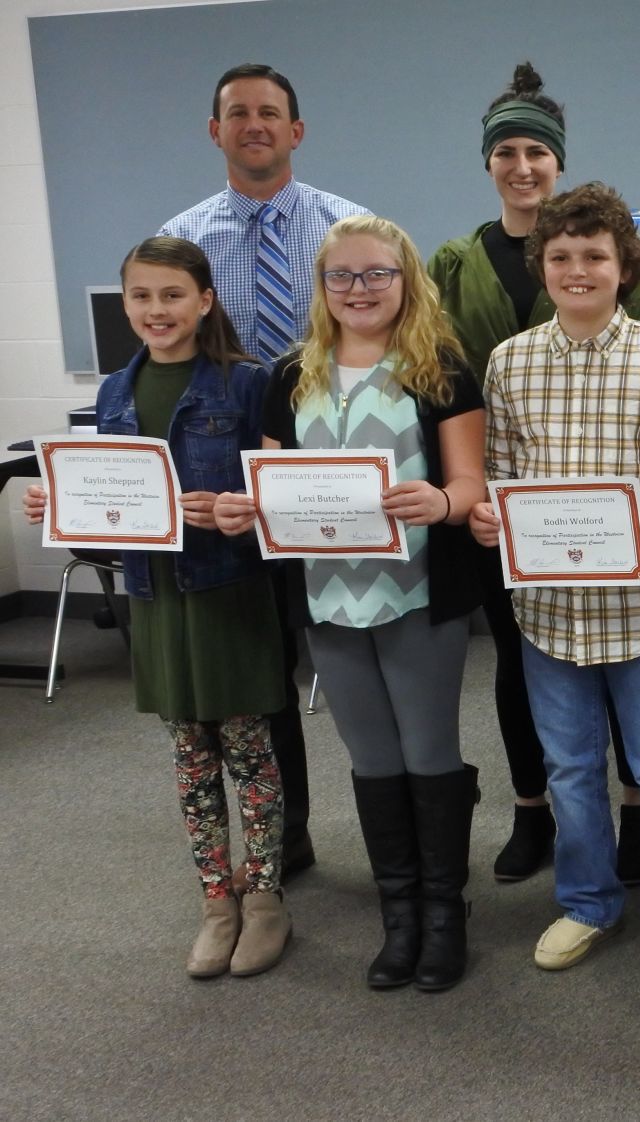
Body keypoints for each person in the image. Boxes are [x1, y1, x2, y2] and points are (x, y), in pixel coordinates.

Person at [214, 216, 486, 993]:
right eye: (344, 277)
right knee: (370, 758)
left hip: (419, 592)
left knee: (427, 751)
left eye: (378, 275)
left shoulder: (441, 368)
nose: (360, 290)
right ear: (322, 288)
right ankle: (398, 916)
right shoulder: (289, 375)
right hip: (328, 595)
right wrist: (244, 510)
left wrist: (439, 498)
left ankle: (443, 913)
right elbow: (270, 490)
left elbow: (470, 484)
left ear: (407, 280)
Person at [469, 182, 640, 979]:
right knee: (570, 768)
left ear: (625, 267)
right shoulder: (510, 362)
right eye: (562, 256)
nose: (579, 269)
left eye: (596, 256)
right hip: (548, 609)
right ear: (543, 266)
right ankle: (586, 901)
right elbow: (500, 476)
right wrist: (488, 519)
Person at [26, 237, 290, 977]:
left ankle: (265, 899)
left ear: (204, 300)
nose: (155, 310)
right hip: (156, 597)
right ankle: (216, 902)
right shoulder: (115, 390)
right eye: (140, 297)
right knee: (189, 759)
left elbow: (274, 495)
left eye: (171, 294)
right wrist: (57, 501)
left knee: (250, 755)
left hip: (227, 592)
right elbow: (107, 492)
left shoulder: (247, 383)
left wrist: (241, 508)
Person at [429, 61, 640, 887]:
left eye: (537, 153)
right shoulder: (456, 262)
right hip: (502, 495)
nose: (523, 167)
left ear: (559, 162)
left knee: (626, 660)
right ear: (488, 161)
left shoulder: (599, 254)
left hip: (602, 499)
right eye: (508, 152)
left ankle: (634, 810)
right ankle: (534, 811)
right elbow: (436, 374)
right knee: (523, 664)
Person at [161, 63, 371, 882]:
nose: (254, 124)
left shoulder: (352, 229)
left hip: (337, 480)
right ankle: (289, 839)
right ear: (215, 131)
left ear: (296, 130)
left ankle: (401, 841)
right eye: (237, 113)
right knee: (266, 676)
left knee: (363, 661)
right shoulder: (185, 241)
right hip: (236, 491)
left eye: (270, 113)